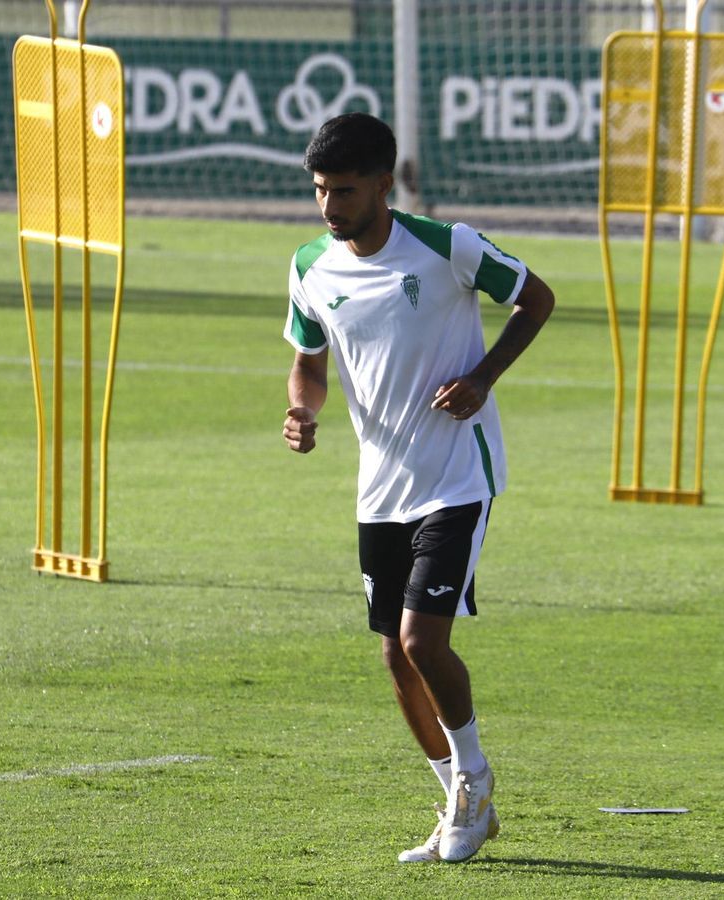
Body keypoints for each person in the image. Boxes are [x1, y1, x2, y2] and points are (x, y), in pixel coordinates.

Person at [280, 113, 555, 864]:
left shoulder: (446, 246)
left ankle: (475, 780)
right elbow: (308, 361)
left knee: (420, 640)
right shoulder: (309, 267)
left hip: (458, 476)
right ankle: (461, 800)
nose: (329, 206)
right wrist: (303, 411)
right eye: (319, 190)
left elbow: (536, 299)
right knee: (395, 659)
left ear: (384, 184)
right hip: (380, 486)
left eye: (343, 190)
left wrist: (482, 378)